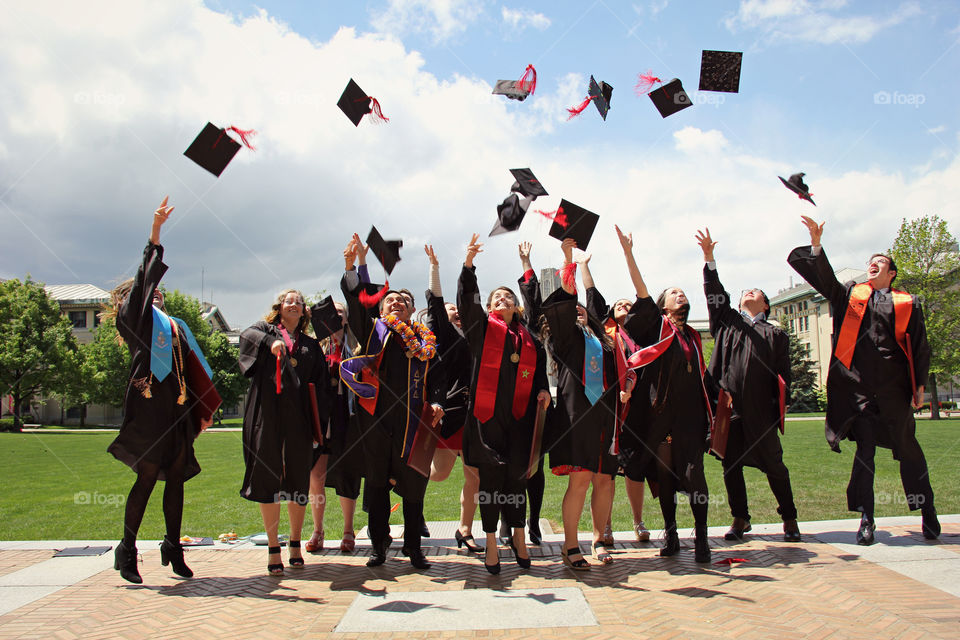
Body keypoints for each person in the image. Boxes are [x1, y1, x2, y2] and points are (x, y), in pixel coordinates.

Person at [788, 216, 938, 544]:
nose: (873, 264)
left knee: (909, 450)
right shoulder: (851, 296)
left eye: (880, 262)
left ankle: (928, 512)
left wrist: (920, 386)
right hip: (861, 392)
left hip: (894, 391)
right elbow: (825, 281)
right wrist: (816, 244)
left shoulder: (907, 303)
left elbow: (920, 345)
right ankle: (867, 519)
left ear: (892, 272)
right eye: (870, 262)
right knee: (865, 453)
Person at [105, 196, 215, 584]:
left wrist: (204, 407)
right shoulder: (134, 319)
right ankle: (128, 549)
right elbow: (142, 285)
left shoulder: (174, 326)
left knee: (176, 476)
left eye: (158, 294)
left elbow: (196, 371)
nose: (156, 295)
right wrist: (154, 235)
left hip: (177, 409)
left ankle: (173, 546)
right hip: (149, 407)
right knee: (148, 475)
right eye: (149, 292)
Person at [340, 234, 444, 570]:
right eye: (390, 301)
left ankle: (414, 548)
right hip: (377, 423)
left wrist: (440, 402)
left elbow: (439, 380)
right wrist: (352, 266)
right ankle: (379, 547)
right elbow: (358, 305)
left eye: (402, 301)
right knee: (378, 485)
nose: (396, 304)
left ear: (412, 309)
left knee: (414, 488)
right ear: (381, 309)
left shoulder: (425, 343)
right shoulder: (374, 332)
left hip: (413, 423)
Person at [615, 225, 713, 563]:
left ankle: (701, 538)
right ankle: (671, 534)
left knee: (694, 476)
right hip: (659, 418)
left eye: (683, 293)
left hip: (690, 419)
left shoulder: (694, 338)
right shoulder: (659, 328)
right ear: (663, 305)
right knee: (666, 477)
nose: (680, 296)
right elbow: (641, 292)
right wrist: (629, 253)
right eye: (674, 293)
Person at [696, 228, 799, 542]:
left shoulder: (775, 334)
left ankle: (790, 519)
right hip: (730, 409)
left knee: (775, 466)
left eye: (756, 292)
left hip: (761, 410)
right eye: (745, 292)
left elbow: (784, 376)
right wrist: (709, 258)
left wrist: (778, 406)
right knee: (731, 466)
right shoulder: (728, 323)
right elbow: (716, 293)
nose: (749, 293)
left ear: (766, 306)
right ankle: (740, 518)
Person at [457, 233, 551, 574]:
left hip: (521, 420)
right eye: (497, 297)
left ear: (516, 306)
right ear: (490, 307)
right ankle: (492, 543)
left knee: (517, 480)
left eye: (508, 296)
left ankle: (520, 536)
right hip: (486, 420)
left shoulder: (530, 338)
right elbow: (467, 303)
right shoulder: (481, 330)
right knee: (491, 480)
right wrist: (469, 265)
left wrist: (542, 389)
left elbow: (539, 373)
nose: (503, 299)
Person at [539, 239, 622, 569]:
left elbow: (594, 300)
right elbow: (566, 301)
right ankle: (570, 545)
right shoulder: (565, 338)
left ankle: (599, 538)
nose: (579, 310)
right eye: (573, 309)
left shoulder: (604, 339)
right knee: (582, 479)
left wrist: (586, 267)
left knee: (605, 480)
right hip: (577, 416)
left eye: (583, 308)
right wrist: (568, 260)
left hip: (608, 416)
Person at [238, 288, 330, 575]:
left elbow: (322, 389)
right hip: (266, 416)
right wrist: (271, 342)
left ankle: (295, 542)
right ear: (279, 307)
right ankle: (272, 547)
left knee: (298, 482)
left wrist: (320, 426)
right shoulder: (264, 330)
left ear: (304, 312)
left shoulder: (310, 346)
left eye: (299, 302)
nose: (294, 304)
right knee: (268, 479)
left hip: (299, 421)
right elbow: (246, 335)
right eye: (289, 301)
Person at [576, 250, 649, 545]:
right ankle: (604, 527)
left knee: (634, 469)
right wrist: (583, 266)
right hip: (609, 409)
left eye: (627, 304)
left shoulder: (642, 336)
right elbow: (591, 295)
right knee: (605, 471)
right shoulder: (602, 333)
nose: (622, 305)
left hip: (637, 409)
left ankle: (638, 521)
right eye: (618, 303)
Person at [422, 245, 483, 554]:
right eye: (449, 311)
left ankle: (465, 529)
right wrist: (435, 267)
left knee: (475, 474)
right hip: (453, 414)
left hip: (477, 415)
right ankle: (407, 479)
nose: (455, 311)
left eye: (456, 309)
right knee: (440, 474)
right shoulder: (442, 336)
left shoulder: (475, 332)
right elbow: (434, 303)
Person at [305, 298, 362, 554]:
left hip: (348, 415)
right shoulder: (317, 345)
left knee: (347, 474)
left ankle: (348, 530)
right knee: (316, 475)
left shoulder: (357, 343)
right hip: (322, 416)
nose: (337, 317)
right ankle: (318, 529)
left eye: (342, 313)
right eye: (334, 312)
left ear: (348, 318)